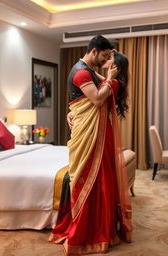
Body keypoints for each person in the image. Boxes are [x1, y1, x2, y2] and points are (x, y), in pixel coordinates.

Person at [49, 35, 132, 255]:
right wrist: (109, 78)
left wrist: (109, 78)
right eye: (105, 55)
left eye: (109, 57)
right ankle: (87, 228)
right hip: (89, 135)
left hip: (96, 134)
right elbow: (95, 99)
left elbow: (88, 97)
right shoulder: (82, 71)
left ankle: (97, 225)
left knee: (100, 179)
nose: (106, 60)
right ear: (94, 51)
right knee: (91, 177)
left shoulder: (87, 69)